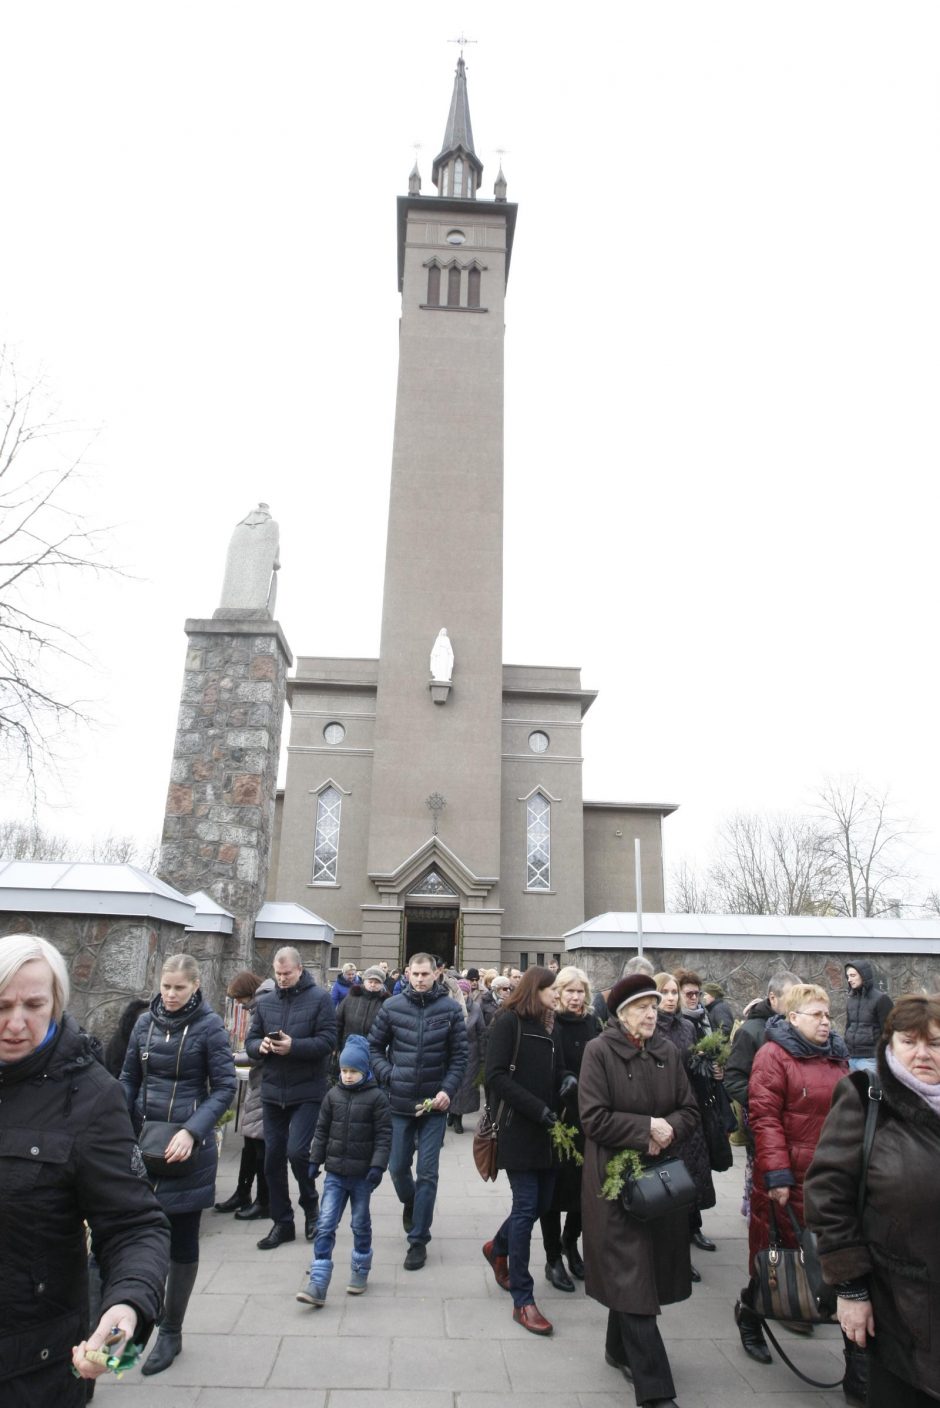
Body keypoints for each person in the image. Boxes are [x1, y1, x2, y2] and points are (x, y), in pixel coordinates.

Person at [0, 933, 169, 1405]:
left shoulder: (93, 1096)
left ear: (56, 1003)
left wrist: (128, 1306)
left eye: (33, 1005)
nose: (16, 1023)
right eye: (1, 1006)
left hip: (33, 1372)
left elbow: (135, 1225)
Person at [806, 994, 940, 1408]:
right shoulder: (866, 1098)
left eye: (935, 1043)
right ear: (889, 1043)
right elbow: (828, 1194)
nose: (922, 1053)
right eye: (909, 1041)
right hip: (898, 1301)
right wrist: (850, 1289)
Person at [579, 972, 699, 1406]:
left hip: (660, 1179)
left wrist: (668, 1130)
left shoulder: (668, 1051)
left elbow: (688, 1109)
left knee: (638, 1271)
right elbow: (592, 1118)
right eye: (644, 1007)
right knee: (630, 1271)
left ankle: (617, 1349)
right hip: (614, 1180)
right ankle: (655, 1392)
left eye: (654, 1006)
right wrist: (645, 1127)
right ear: (623, 1014)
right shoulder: (598, 1052)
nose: (653, 1013)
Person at [121, 951, 236, 1376]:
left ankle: (171, 1331)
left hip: (188, 1149)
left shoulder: (209, 1028)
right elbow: (129, 1078)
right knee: (128, 1241)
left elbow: (224, 1088)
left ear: (195, 986)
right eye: (166, 987)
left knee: (181, 1242)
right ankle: (124, 1334)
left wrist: (192, 1130)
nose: (170, 995)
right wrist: (118, 1124)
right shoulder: (143, 1024)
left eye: (179, 988)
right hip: (141, 1146)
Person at [734, 982, 848, 1369]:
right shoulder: (773, 1056)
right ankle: (750, 1318)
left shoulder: (836, 1057)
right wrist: (778, 1174)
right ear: (793, 1017)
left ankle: (858, 1367)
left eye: (828, 1014)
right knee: (776, 1260)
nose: (825, 1022)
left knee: (842, 1263)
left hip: (831, 1179)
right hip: (788, 1179)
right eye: (817, 1014)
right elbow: (764, 1119)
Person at [368, 951, 468, 1270]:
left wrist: (447, 1091)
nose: (421, 979)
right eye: (416, 974)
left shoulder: (450, 1009)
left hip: (434, 1106)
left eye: (426, 974)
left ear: (436, 974)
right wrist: (389, 1074)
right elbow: (374, 1048)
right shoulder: (392, 1007)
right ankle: (410, 1202)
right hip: (399, 1103)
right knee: (396, 1167)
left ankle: (418, 1239)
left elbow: (459, 1058)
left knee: (428, 1174)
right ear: (408, 974)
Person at [482, 966, 567, 1335]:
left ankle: (496, 1246)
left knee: (544, 1203)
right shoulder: (508, 1022)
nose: (559, 997)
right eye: (554, 991)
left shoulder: (552, 1025)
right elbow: (496, 1076)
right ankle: (523, 1299)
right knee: (526, 1205)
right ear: (537, 989)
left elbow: (558, 1068)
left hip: (550, 1133)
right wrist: (537, 1108)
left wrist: (567, 1081)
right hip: (519, 1131)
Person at [245, 947, 336, 1250]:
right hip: (272, 1092)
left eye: (287, 973)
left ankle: (311, 1208)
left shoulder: (320, 999)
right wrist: (262, 1048)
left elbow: (327, 1042)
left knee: (297, 1153)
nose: (282, 979)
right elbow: (251, 1039)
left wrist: (294, 1046)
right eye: (278, 973)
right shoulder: (266, 1001)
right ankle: (282, 1222)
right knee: (272, 1160)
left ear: (300, 969)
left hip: (307, 1091)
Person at [297, 1034, 392, 1305]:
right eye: (344, 1071)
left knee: (360, 1224)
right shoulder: (332, 1096)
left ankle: (360, 1269)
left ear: (365, 1071)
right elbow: (322, 1130)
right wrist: (315, 1160)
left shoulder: (377, 1099)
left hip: (362, 1176)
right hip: (336, 1174)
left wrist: (377, 1166)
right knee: (326, 1223)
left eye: (354, 1071)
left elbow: (384, 1136)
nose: (348, 1076)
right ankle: (318, 1280)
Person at [539, 965, 602, 1292]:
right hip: (557, 1117)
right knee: (552, 1193)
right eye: (570, 991)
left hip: (588, 1117)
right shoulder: (549, 1024)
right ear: (559, 993)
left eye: (580, 991)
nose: (576, 998)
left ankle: (570, 1242)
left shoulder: (593, 1023)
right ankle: (552, 1258)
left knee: (583, 1189)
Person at [654, 971, 716, 1279]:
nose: (670, 997)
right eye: (664, 992)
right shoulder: (652, 1028)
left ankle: (694, 1229)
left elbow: (693, 1064)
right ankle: (675, 1255)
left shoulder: (687, 1026)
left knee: (694, 1176)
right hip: (666, 1114)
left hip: (690, 1111)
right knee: (672, 1184)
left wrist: (708, 1067)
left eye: (673, 992)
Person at [215, 971, 271, 1221]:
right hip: (259, 1083)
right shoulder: (258, 1005)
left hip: (266, 1083)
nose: (238, 1004)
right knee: (250, 1143)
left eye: (239, 999)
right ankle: (244, 1192)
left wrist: (231, 1057)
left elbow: (258, 1049)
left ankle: (262, 1200)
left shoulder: (263, 1007)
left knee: (259, 1145)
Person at [842, 960, 892, 1073]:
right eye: (848, 976)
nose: (849, 980)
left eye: (853, 975)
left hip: (871, 1059)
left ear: (864, 975)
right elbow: (848, 1026)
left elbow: (889, 1032)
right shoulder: (851, 1000)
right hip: (850, 1058)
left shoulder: (881, 999)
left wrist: (884, 1058)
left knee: (872, 1090)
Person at [448, 977, 484, 1133]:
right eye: (460, 992)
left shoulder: (476, 1008)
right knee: (452, 1084)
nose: (463, 996)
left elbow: (481, 1032)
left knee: (466, 1087)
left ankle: (458, 1118)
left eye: (465, 993)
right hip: (451, 1051)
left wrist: (483, 1056)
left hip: (471, 1053)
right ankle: (451, 1112)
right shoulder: (449, 1007)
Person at [336, 966, 390, 1046]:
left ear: (382, 985)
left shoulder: (386, 1002)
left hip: (374, 1049)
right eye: (370, 981)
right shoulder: (352, 996)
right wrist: (336, 1044)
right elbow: (338, 1021)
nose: (372, 985)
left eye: (377, 982)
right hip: (349, 1046)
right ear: (364, 981)